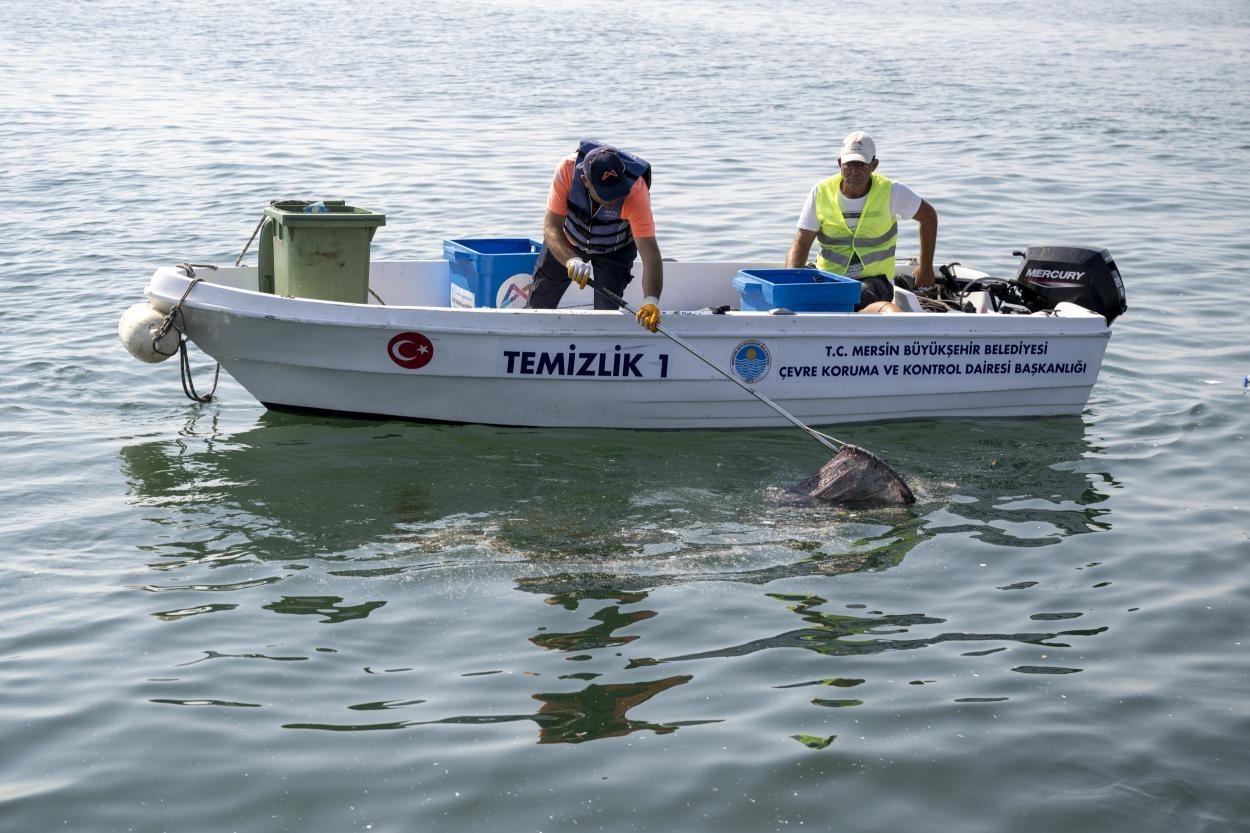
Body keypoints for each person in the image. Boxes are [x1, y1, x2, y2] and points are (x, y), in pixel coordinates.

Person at [785, 130, 938, 313]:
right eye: (849, 165)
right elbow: (801, 243)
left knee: (845, 298)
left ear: (874, 165)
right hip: (830, 278)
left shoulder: (892, 191)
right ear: (839, 163)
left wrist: (926, 268)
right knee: (807, 293)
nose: (854, 171)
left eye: (861, 165)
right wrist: (791, 281)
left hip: (876, 280)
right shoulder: (820, 192)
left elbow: (929, 217)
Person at [526, 139, 663, 332]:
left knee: (606, 317)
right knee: (538, 304)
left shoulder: (636, 191)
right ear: (586, 181)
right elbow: (551, 227)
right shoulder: (566, 170)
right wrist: (571, 260)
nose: (614, 199)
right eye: (606, 194)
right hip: (568, 239)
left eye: (617, 191)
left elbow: (651, 256)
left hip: (615, 249)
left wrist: (651, 301)